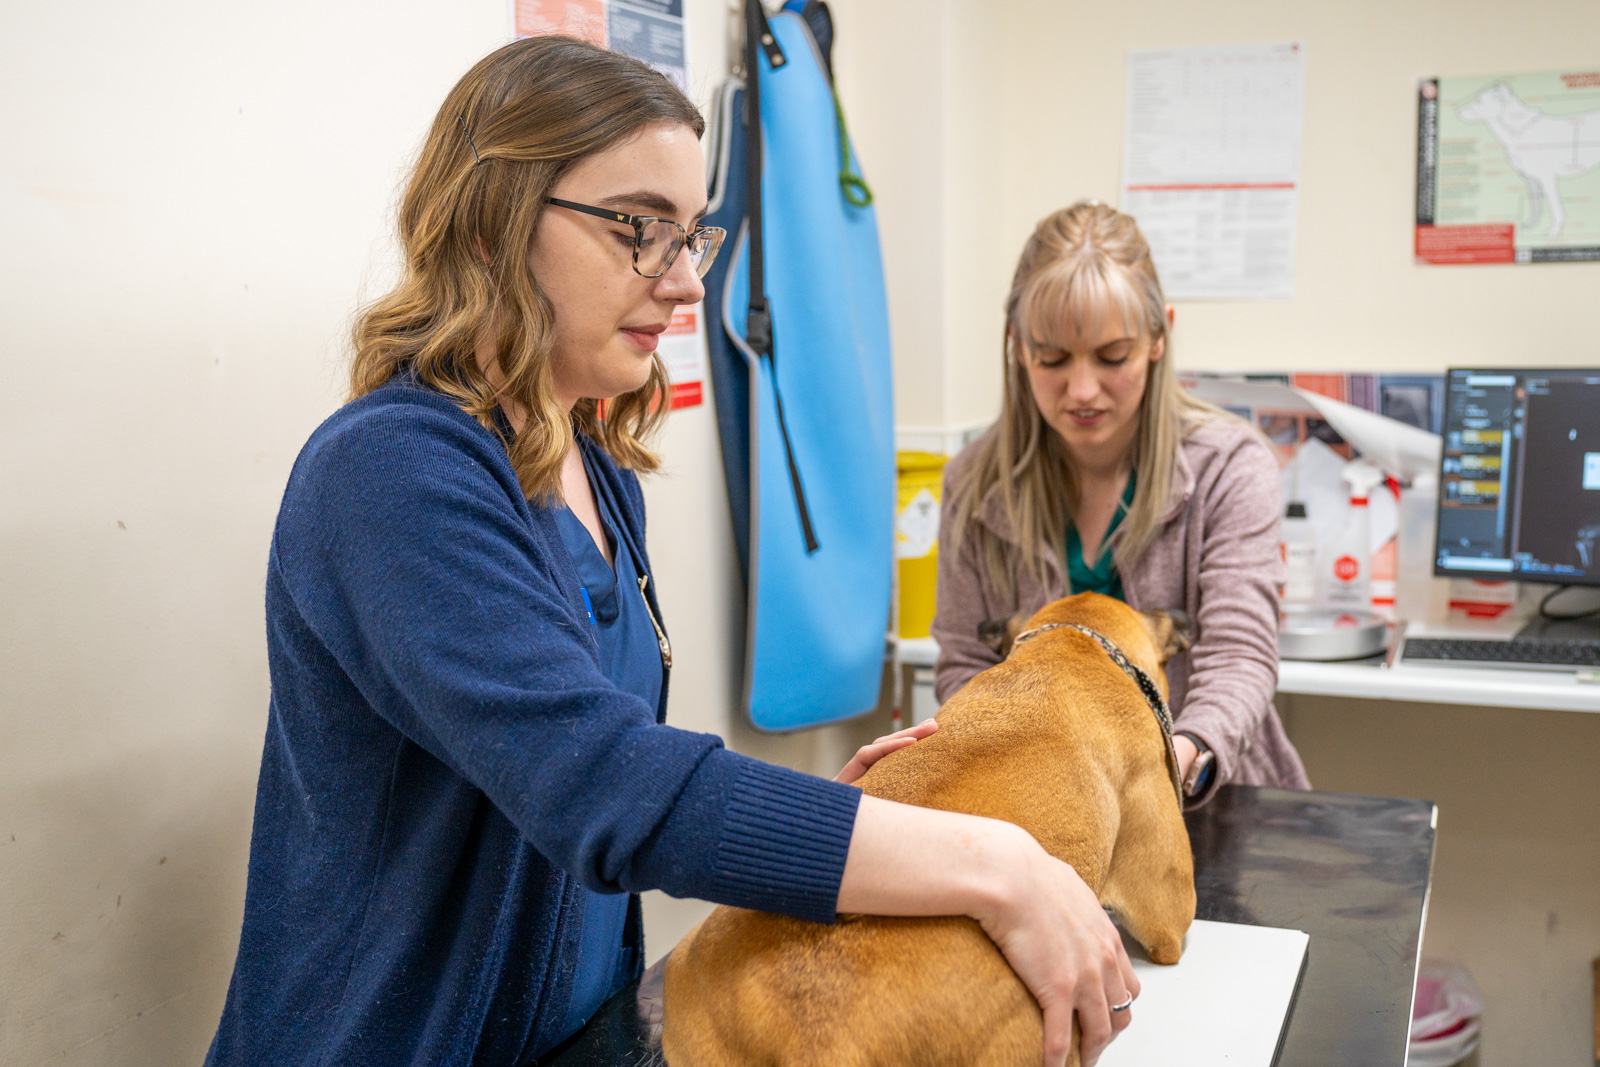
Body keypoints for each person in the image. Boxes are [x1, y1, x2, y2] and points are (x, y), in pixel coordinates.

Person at [205, 38, 1138, 1067]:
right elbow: (603, 787)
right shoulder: (390, 471)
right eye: (641, 230)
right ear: (491, 222)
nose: (688, 283)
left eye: (693, 234)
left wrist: (843, 818)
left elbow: (614, 757)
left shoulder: (593, 465)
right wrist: (990, 860)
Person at [934, 201, 1310, 807]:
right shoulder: (975, 488)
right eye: (1052, 359)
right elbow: (964, 668)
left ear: (1159, 336)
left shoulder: (1230, 467)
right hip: (1043, 813)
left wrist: (1176, 765)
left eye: (1113, 357)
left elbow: (1239, 658)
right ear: (1017, 345)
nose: (1082, 390)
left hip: (1210, 807)